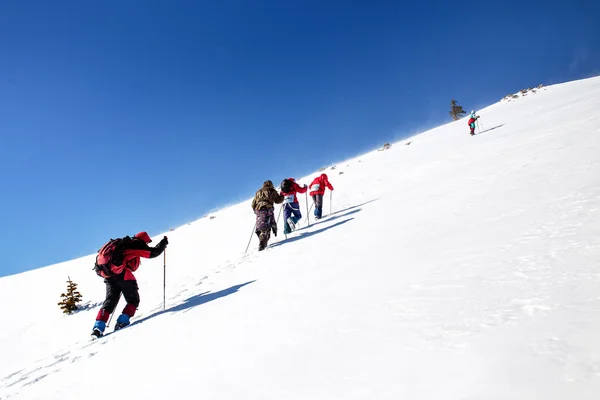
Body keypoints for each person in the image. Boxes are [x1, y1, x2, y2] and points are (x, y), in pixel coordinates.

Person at [91, 232, 168, 337]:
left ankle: (98, 327)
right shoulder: (135, 244)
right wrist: (163, 243)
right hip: (123, 275)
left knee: (110, 301)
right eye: (147, 241)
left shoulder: (122, 244)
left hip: (109, 276)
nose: (147, 244)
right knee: (133, 300)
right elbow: (153, 253)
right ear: (144, 240)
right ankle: (122, 321)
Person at [251, 180, 284, 251]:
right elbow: (278, 200)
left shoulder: (258, 192)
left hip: (258, 210)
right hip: (268, 208)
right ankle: (263, 242)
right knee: (268, 224)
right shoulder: (271, 190)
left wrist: (256, 211)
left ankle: (262, 239)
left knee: (261, 225)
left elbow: (253, 204)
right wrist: (282, 195)